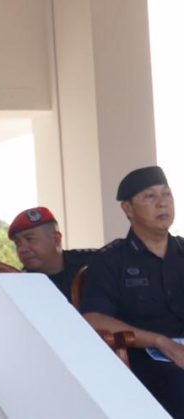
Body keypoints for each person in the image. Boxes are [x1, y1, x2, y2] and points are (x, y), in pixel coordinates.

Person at [81, 166, 184, 418]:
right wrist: (160, 342)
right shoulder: (110, 260)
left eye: (167, 195)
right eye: (150, 197)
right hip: (145, 361)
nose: (162, 203)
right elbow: (93, 318)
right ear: (128, 209)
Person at [7, 206, 94, 298]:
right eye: (17, 243)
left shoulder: (92, 264)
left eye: (29, 239)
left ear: (56, 238)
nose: (22, 249)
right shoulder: (19, 285)